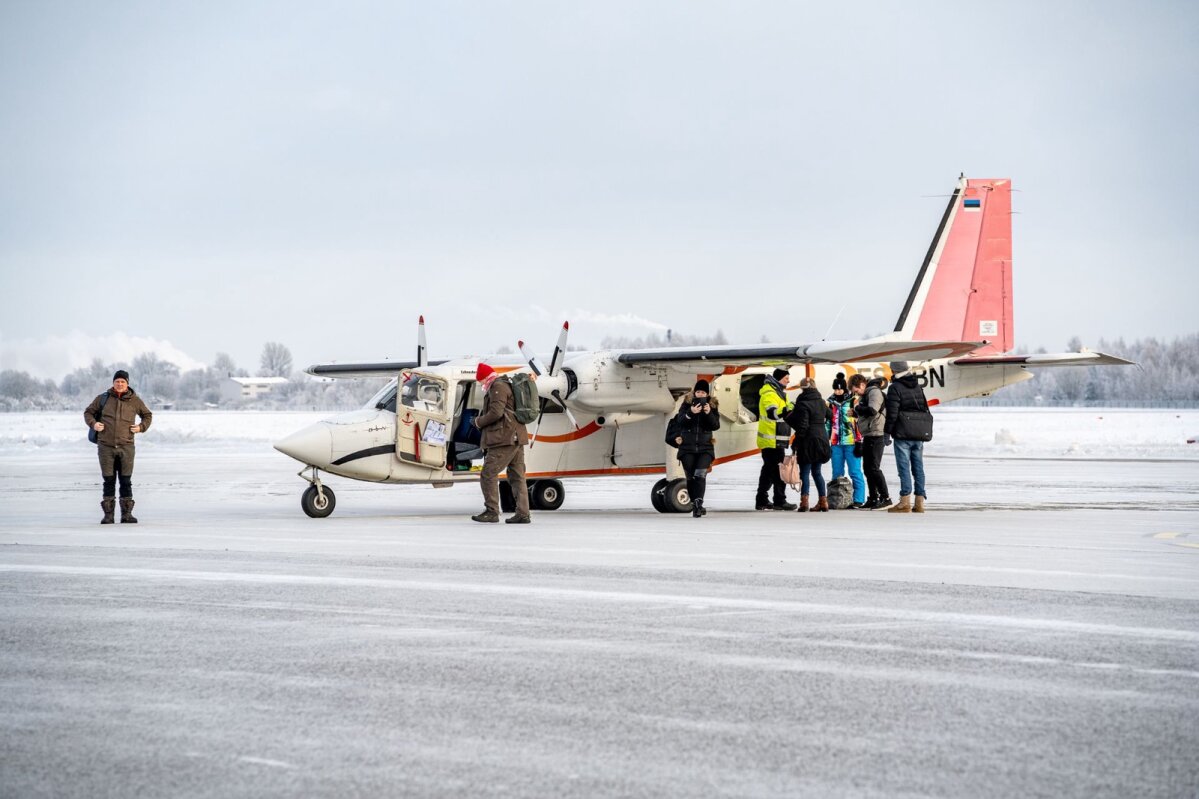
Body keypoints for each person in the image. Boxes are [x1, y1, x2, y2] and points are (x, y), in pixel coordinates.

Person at [84, 370, 152, 524]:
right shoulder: (103, 399)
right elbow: (88, 412)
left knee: (126, 480)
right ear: (113, 383)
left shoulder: (135, 400)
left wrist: (141, 427)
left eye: (123, 381)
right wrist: (94, 424)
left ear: (127, 383)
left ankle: (126, 515)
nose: (120, 384)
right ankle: (108, 515)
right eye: (117, 381)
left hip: (126, 446)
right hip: (105, 446)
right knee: (108, 480)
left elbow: (147, 415)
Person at [471, 363, 531, 524]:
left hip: (504, 437)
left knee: (488, 474)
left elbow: (496, 412)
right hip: (515, 436)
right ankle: (523, 513)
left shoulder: (497, 386)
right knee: (517, 476)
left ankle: (492, 511)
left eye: (481, 380)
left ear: (485, 377)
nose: (481, 384)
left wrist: (478, 421)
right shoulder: (502, 385)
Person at [884, 360, 931, 513]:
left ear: (894, 371)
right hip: (918, 433)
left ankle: (904, 501)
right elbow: (924, 407)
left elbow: (892, 413)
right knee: (918, 467)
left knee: (904, 467)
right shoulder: (918, 385)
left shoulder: (895, 387)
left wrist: (886, 432)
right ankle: (919, 502)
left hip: (903, 433)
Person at [672, 379, 721, 517]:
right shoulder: (686, 404)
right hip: (687, 447)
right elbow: (680, 422)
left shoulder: (712, 405)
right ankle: (695, 502)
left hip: (705, 447)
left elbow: (715, 425)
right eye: (698, 392)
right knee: (691, 477)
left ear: (707, 394)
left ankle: (698, 503)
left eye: (703, 392)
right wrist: (690, 413)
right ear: (694, 393)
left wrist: (708, 413)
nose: (700, 395)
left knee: (700, 475)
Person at [786, 376, 832, 512]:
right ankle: (823, 502)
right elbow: (830, 415)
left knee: (805, 472)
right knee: (817, 472)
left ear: (802, 388)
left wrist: (795, 441)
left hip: (808, 441)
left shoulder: (802, 403)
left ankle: (804, 502)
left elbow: (803, 426)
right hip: (822, 439)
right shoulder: (821, 401)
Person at [755, 368, 796, 511]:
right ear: (778, 379)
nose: (788, 381)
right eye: (786, 378)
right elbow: (772, 413)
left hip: (776, 439)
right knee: (778, 472)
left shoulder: (778, 393)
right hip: (771, 440)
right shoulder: (769, 394)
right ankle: (779, 500)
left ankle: (762, 500)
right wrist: (788, 408)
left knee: (768, 471)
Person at [850, 372, 892, 510]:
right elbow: (868, 413)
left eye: (855, 390)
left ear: (862, 384)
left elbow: (873, 411)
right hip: (869, 434)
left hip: (876, 434)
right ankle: (873, 498)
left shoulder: (874, 392)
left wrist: (857, 408)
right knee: (867, 468)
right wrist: (856, 413)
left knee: (873, 468)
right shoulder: (866, 394)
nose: (855, 393)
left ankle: (886, 498)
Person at [828, 372, 866, 508]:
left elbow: (858, 422)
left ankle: (858, 499)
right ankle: (838, 498)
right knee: (837, 472)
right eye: (836, 389)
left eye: (840, 389)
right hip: (835, 442)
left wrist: (859, 441)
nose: (838, 391)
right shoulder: (830, 403)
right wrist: (827, 440)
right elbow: (828, 423)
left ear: (845, 389)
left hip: (851, 442)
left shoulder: (853, 401)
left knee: (855, 471)